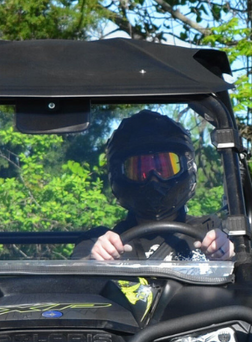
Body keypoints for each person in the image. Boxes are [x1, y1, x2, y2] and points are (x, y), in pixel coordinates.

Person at [73, 110, 235, 262]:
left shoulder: (211, 231)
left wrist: (229, 253)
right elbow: (68, 282)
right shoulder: (101, 242)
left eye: (165, 168)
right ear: (118, 174)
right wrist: (92, 261)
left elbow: (249, 277)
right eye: (139, 170)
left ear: (187, 167)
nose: (153, 179)